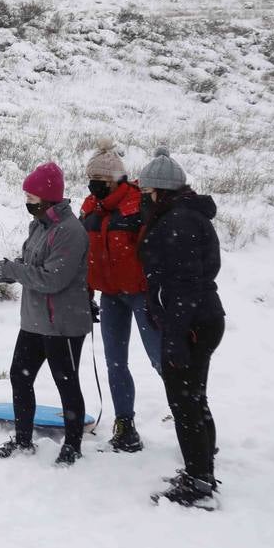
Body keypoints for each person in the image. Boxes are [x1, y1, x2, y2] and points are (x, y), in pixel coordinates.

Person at [0, 161, 91, 466]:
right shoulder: (38, 226)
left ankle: (72, 445)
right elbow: (29, 265)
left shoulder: (70, 231)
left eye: (31, 198)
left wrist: (14, 270)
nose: (27, 204)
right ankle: (23, 440)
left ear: (48, 198)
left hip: (63, 324)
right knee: (20, 377)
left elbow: (53, 278)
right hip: (34, 320)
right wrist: (4, 272)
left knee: (66, 383)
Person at [137, 149, 225, 509]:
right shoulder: (181, 215)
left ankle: (199, 484)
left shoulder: (179, 222)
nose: (143, 197)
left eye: (146, 191)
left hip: (190, 323)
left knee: (185, 403)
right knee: (194, 399)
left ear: (160, 191)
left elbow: (185, 286)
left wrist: (174, 338)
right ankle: (200, 471)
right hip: (197, 319)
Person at [80, 139, 161, 452]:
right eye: (91, 181)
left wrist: (159, 295)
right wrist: (86, 297)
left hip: (142, 295)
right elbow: (83, 257)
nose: (93, 187)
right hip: (111, 296)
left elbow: (154, 254)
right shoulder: (89, 208)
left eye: (99, 181)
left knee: (161, 360)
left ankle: (188, 419)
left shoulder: (138, 206)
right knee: (115, 362)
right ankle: (125, 425)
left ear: (116, 180)